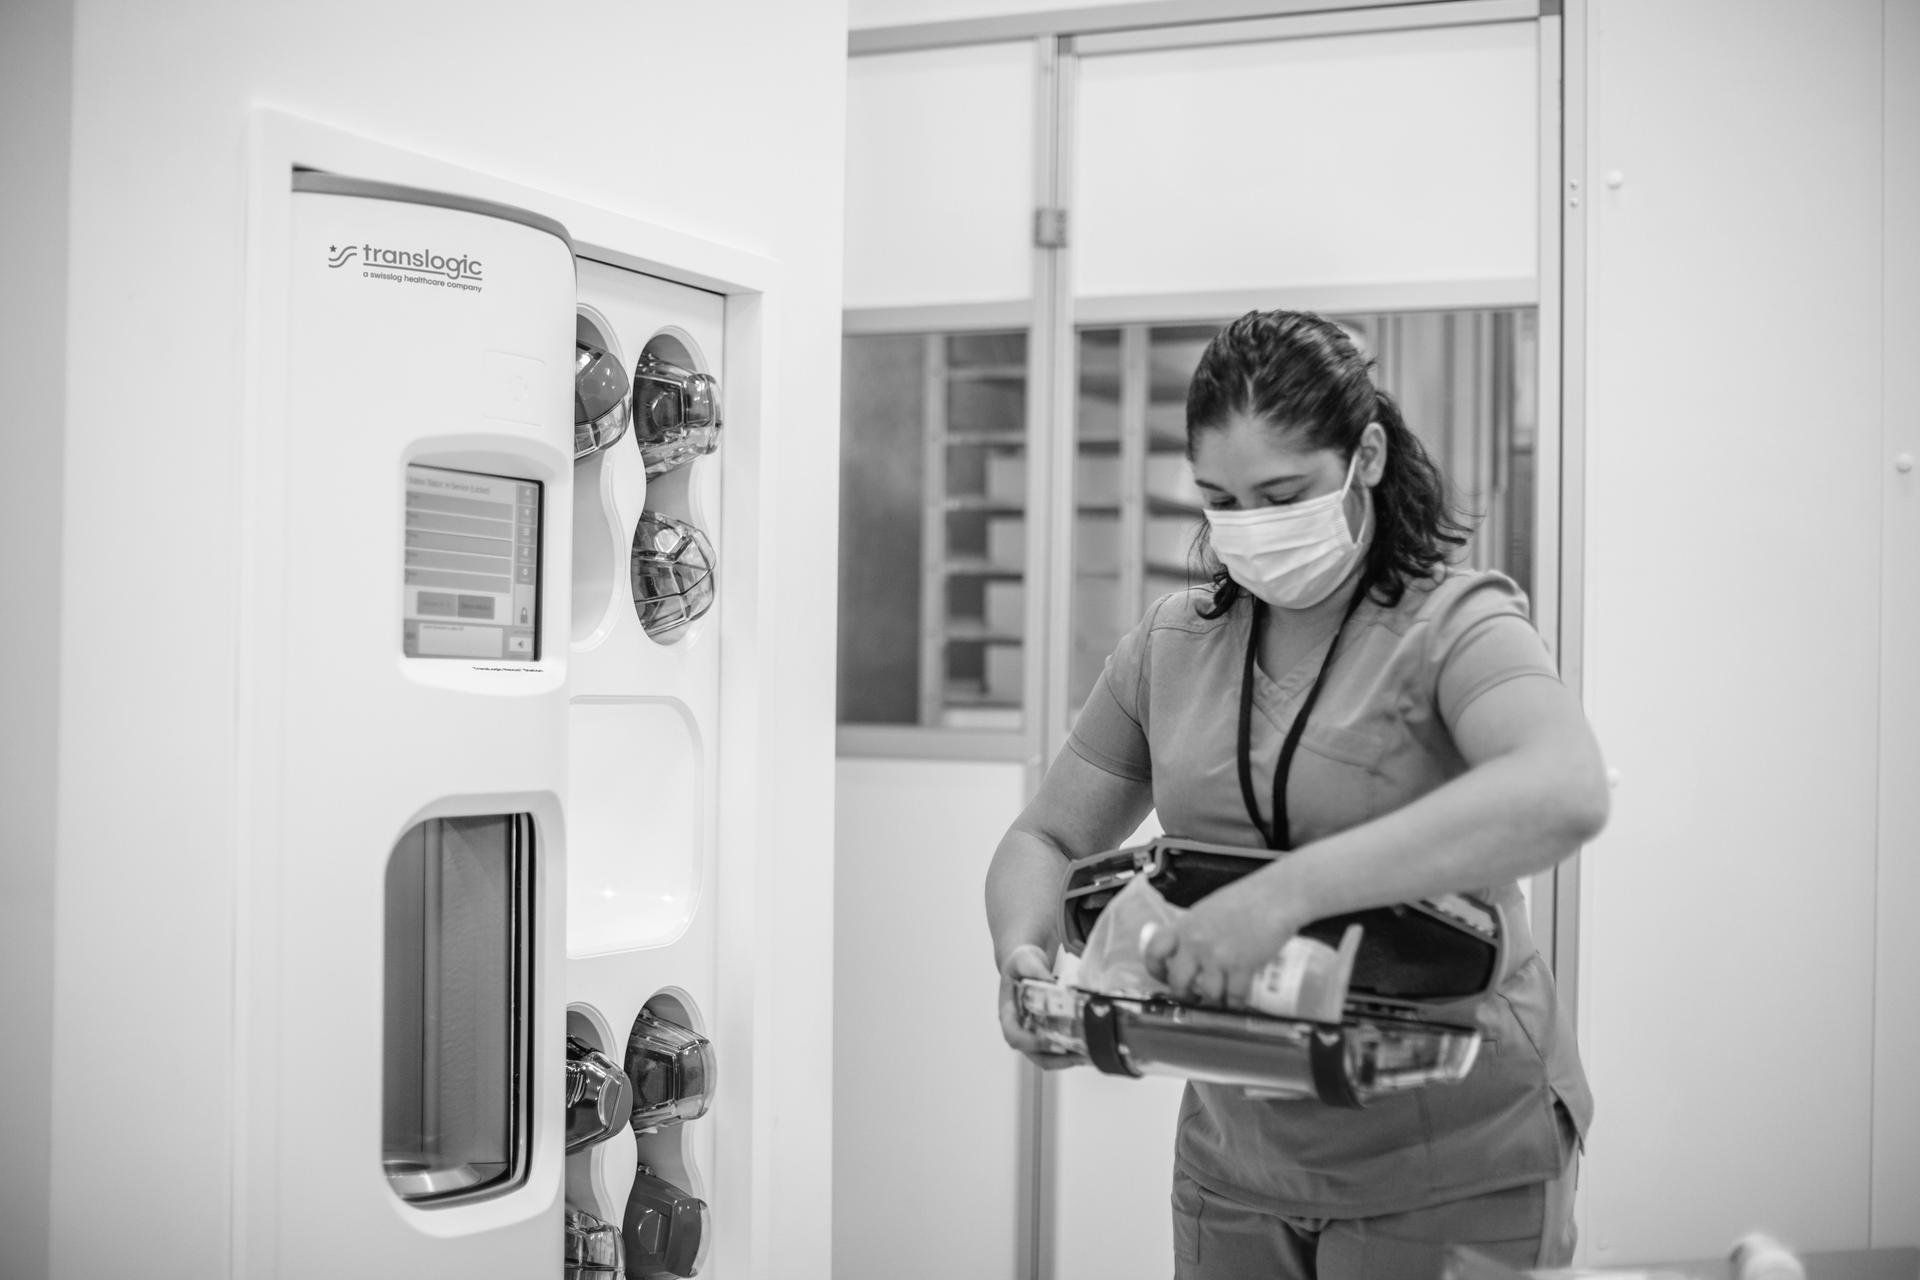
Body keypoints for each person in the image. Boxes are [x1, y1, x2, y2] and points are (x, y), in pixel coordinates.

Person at [985, 309, 1608, 1278]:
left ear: (1364, 456)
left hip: (1451, 1155)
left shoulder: (1454, 623)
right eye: (1220, 499)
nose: (1252, 527)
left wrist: (1277, 899)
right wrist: (1023, 957)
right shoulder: (1173, 644)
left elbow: (1564, 790)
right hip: (1240, 1168)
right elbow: (1049, 836)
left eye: (1282, 493)